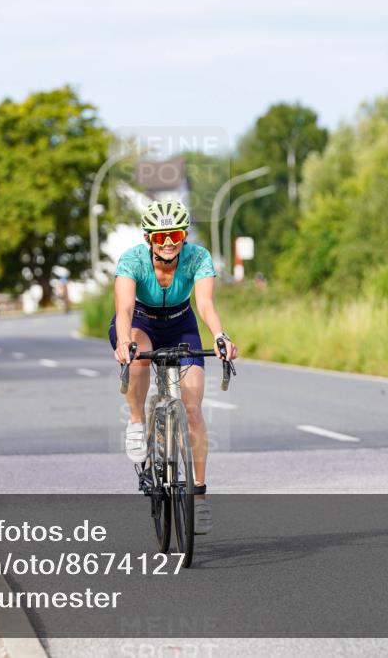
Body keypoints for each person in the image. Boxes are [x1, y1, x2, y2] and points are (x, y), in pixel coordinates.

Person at [110, 200, 239, 535]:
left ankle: (199, 497)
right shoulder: (132, 260)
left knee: (193, 411)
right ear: (149, 237)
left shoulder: (198, 258)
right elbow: (124, 309)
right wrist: (124, 342)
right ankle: (137, 422)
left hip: (182, 324)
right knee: (139, 355)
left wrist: (220, 336)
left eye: (177, 234)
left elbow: (206, 304)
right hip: (141, 323)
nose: (169, 242)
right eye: (162, 235)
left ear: (185, 236)